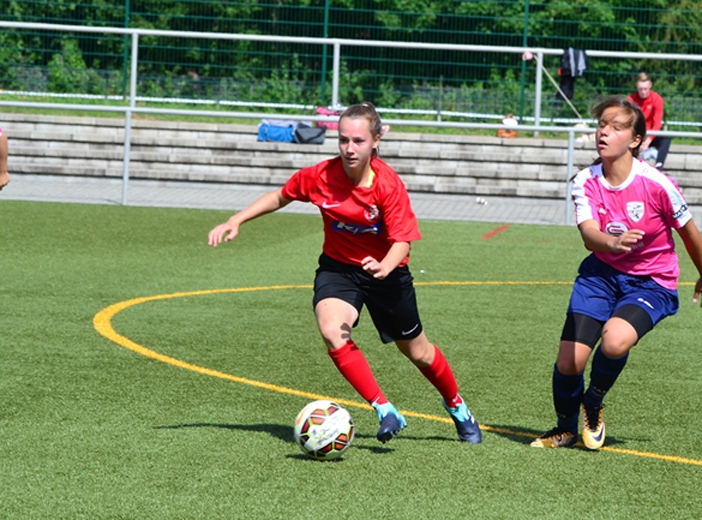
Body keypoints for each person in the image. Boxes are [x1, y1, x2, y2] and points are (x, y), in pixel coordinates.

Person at [208, 103, 482, 444]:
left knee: (418, 352)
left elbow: (402, 241)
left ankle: (456, 405)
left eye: (358, 141)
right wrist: (236, 220)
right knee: (332, 329)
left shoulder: (387, 185)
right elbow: (281, 196)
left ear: (376, 141)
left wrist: (384, 266)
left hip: (388, 275)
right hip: (338, 269)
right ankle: (385, 409)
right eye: (343, 140)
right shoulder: (320, 177)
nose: (349, 148)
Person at [531, 96, 702, 450]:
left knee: (614, 340)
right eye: (601, 125)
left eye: (616, 127)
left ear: (636, 140)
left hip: (651, 282)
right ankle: (565, 428)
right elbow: (588, 234)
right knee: (569, 362)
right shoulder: (585, 180)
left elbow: (689, 233)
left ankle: (593, 402)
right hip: (600, 276)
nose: (604, 132)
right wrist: (613, 243)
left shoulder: (658, 184)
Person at [628, 72, 671, 170]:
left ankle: (659, 165)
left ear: (650, 85)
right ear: (636, 86)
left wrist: (648, 140)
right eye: (640, 89)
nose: (643, 92)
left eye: (645, 89)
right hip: (636, 133)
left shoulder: (657, 99)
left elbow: (657, 123)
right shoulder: (631, 100)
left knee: (665, 139)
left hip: (651, 134)